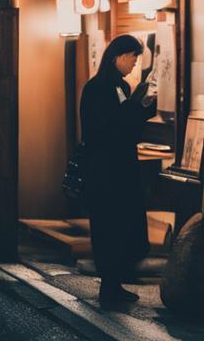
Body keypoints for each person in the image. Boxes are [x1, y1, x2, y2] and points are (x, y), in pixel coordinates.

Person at [80, 34, 156, 306]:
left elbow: (127, 125)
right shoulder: (98, 88)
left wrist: (142, 108)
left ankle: (114, 284)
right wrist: (137, 108)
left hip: (119, 169)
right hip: (105, 171)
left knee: (122, 226)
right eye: (133, 57)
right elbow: (109, 129)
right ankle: (109, 287)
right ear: (119, 57)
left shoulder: (119, 86)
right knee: (109, 228)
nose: (135, 64)